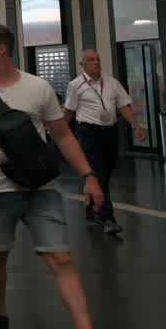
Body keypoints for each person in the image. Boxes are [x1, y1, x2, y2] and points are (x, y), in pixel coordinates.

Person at [0, 24, 104, 329]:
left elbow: (62, 136)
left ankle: (84, 325)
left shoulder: (38, 88)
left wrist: (89, 176)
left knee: (60, 258)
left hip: (40, 186)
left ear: (2, 49)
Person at [64, 49, 147, 236]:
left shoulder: (112, 83)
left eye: (98, 59)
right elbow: (68, 112)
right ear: (82, 64)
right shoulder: (75, 86)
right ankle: (108, 218)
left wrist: (136, 125)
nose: (96, 63)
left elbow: (124, 106)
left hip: (109, 132)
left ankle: (92, 208)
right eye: (91, 60)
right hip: (87, 132)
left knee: (106, 172)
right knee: (98, 172)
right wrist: (61, 135)